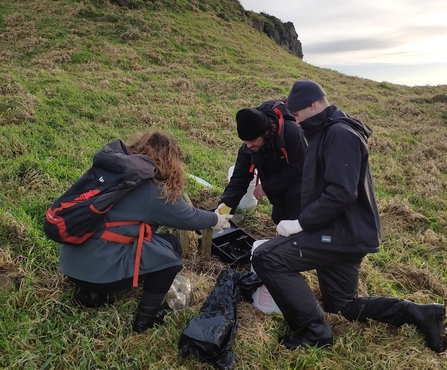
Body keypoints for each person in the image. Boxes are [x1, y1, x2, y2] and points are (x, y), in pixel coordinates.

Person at [251, 80, 447, 352]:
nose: (295, 121)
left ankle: (314, 330)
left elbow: (341, 193)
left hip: (339, 233)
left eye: (297, 115)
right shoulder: (325, 132)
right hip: (346, 234)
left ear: (313, 105)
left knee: (267, 257)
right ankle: (419, 313)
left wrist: (300, 223)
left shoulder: (339, 134)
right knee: (342, 305)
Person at [59, 131, 232, 333]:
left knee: (162, 241)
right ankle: (144, 321)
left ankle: (88, 292)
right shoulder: (153, 190)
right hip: (95, 269)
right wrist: (216, 219)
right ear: (170, 162)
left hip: (71, 262)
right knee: (170, 259)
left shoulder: (113, 175)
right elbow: (189, 217)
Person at [217, 100, 307, 224]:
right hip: (279, 189)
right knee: (279, 220)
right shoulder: (249, 147)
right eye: (245, 141)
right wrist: (224, 208)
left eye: (252, 140)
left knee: (295, 217)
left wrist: (266, 186)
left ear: (265, 133)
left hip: (303, 188)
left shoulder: (292, 133)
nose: (248, 145)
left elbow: (301, 169)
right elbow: (239, 179)